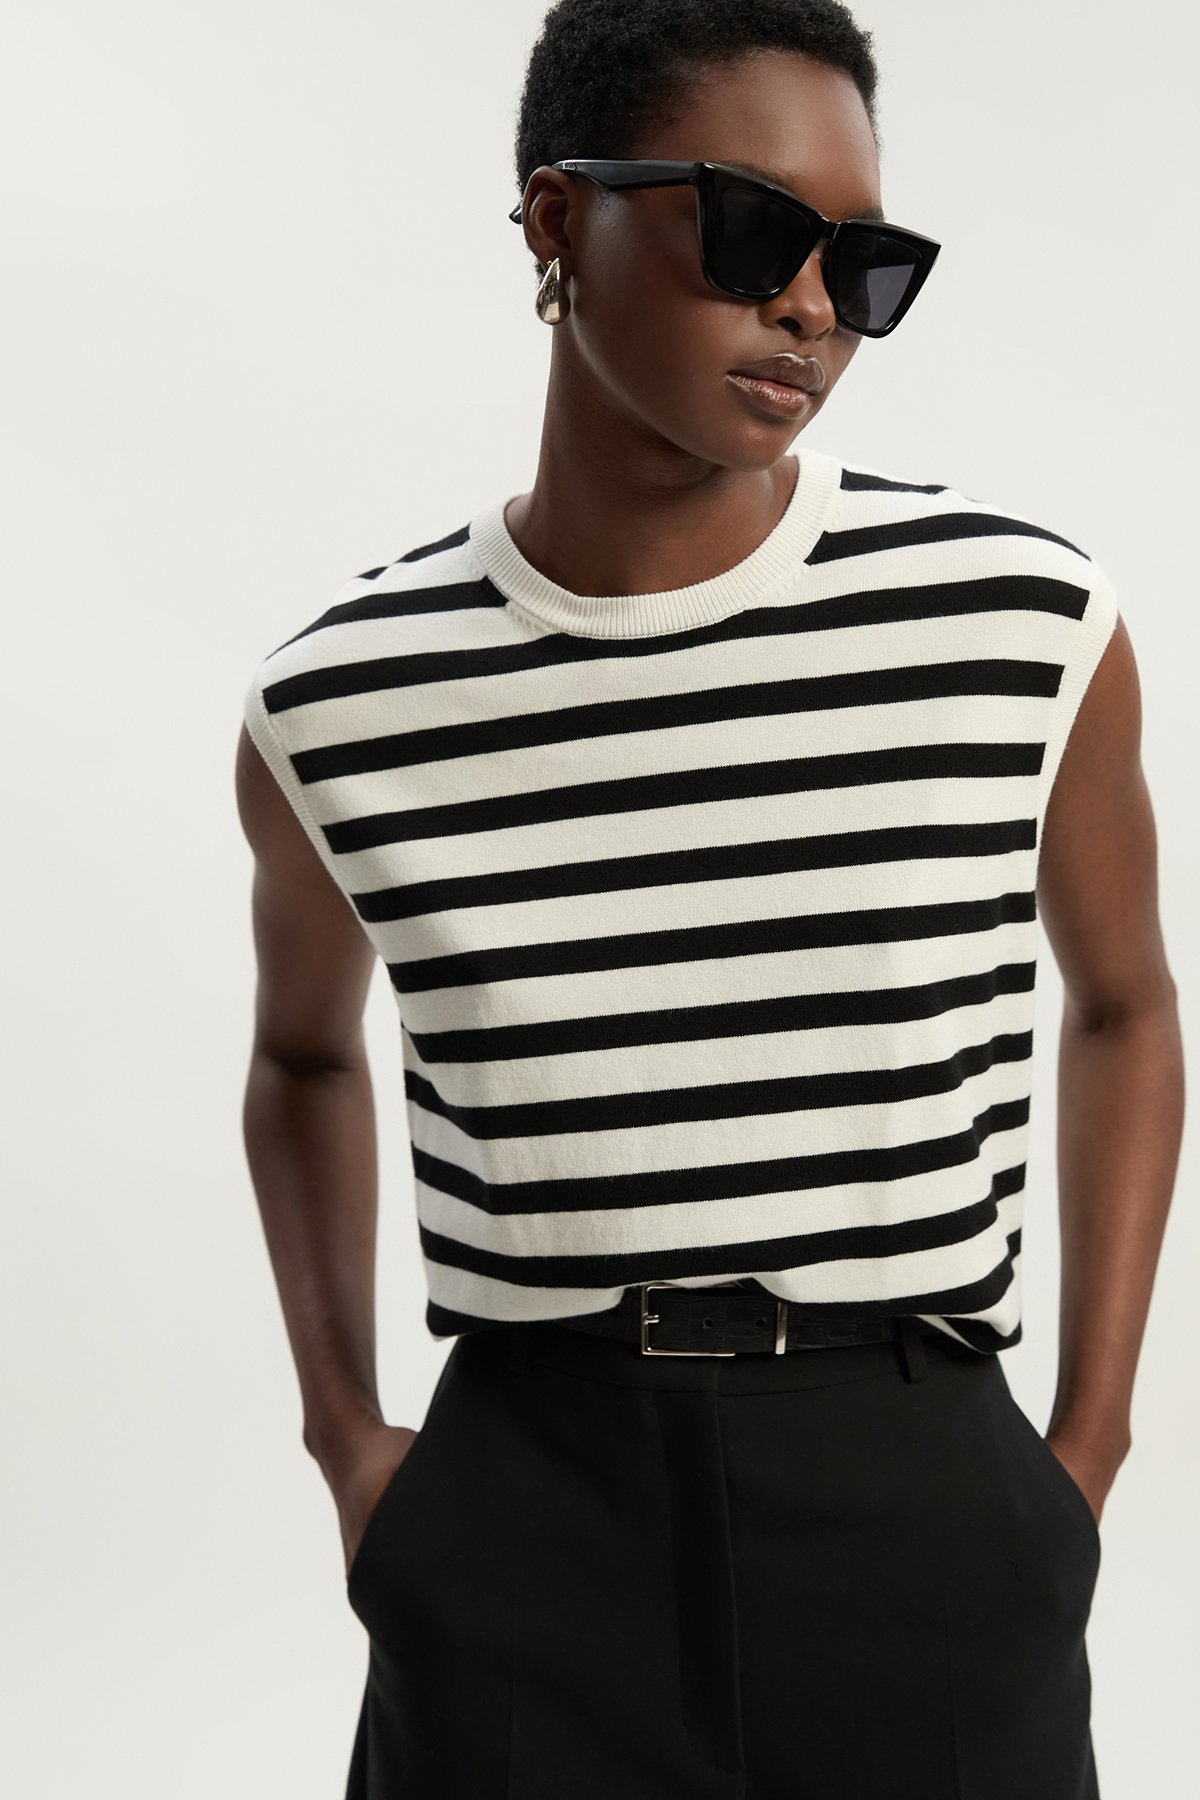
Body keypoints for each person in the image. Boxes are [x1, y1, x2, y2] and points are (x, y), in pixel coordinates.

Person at [235, 2, 1184, 1795]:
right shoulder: (342, 699)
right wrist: (350, 1443)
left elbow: (1127, 1005)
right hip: (524, 1517)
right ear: (555, 219)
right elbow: (300, 1059)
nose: (813, 309)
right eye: (753, 230)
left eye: (865, 264)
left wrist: (1088, 1451)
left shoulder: (1019, 623)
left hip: (920, 1507)